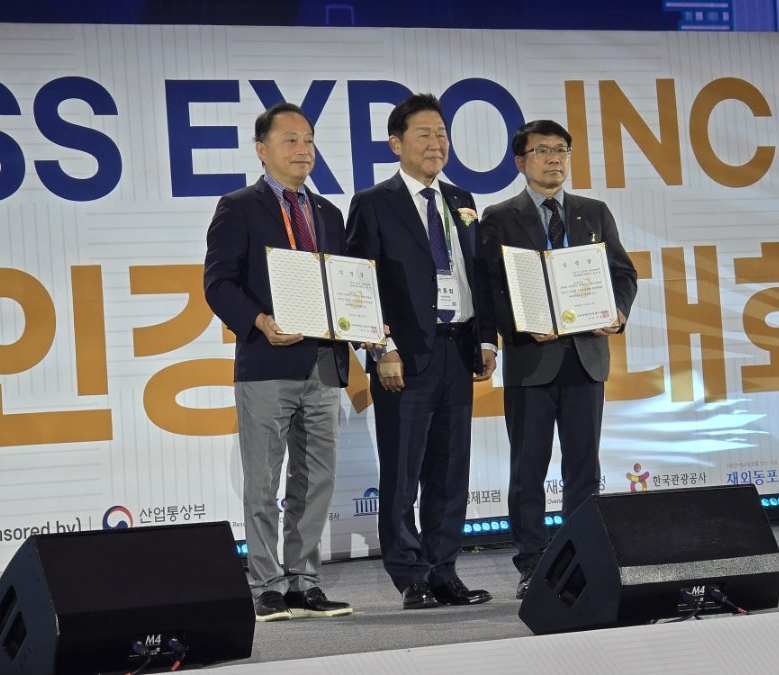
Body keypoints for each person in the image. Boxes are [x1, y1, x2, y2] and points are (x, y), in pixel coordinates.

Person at [346, 93, 498, 610]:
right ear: (396, 144)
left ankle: (444, 570)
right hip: (403, 357)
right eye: (424, 135)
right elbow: (359, 283)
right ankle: (410, 575)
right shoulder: (374, 202)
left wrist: (485, 338)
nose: (436, 144)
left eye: (442, 134)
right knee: (402, 472)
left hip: (458, 350)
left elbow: (477, 274)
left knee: (450, 470)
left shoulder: (460, 198)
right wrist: (380, 347)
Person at [203, 102, 352, 621]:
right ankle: (266, 583)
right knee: (264, 481)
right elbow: (218, 283)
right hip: (267, 362)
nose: (303, 149)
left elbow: (345, 286)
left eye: (309, 140)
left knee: (316, 478)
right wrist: (261, 321)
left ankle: (304, 582)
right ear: (262, 150)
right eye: (290, 140)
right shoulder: (238, 207)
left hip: (324, 363)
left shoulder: (328, 213)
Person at [480, 119, 638, 600]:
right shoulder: (499, 217)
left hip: (585, 357)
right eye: (542, 150)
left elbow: (623, 273)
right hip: (532, 359)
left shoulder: (594, 212)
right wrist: (520, 326)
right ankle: (532, 563)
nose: (554, 159)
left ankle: (580, 560)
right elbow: (490, 289)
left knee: (584, 468)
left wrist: (618, 312)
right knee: (528, 468)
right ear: (520, 161)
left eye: (562, 150)